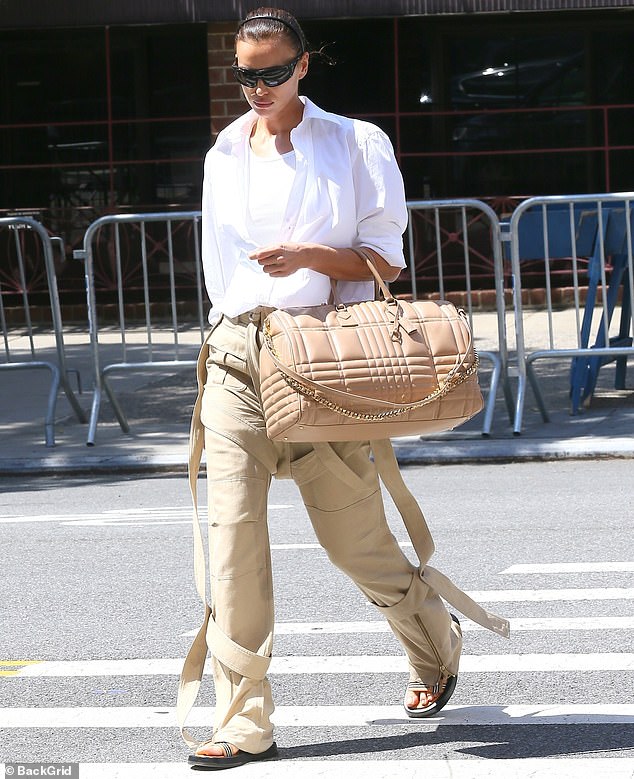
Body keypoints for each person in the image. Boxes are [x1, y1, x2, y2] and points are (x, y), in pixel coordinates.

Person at [178, 7, 509, 770]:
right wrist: (233, 329)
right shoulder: (224, 151)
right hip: (236, 353)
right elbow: (219, 267)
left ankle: (434, 640)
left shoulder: (355, 142)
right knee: (230, 541)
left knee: (354, 541)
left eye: (270, 72)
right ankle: (245, 719)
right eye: (244, 75)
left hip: (324, 359)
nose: (256, 88)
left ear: (302, 66)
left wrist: (311, 256)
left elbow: (386, 262)